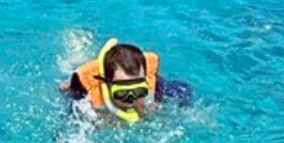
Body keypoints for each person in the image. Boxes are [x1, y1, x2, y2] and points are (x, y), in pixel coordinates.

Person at [62, 39, 192, 124]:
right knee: (66, 83)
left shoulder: (155, 87)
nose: (131, 99)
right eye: (122, 93)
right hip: (88, 79)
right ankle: (78, 45)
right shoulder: (88, 99)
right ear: (107, 86)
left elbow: (184, 89)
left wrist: (186, 110)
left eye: (139, 91)